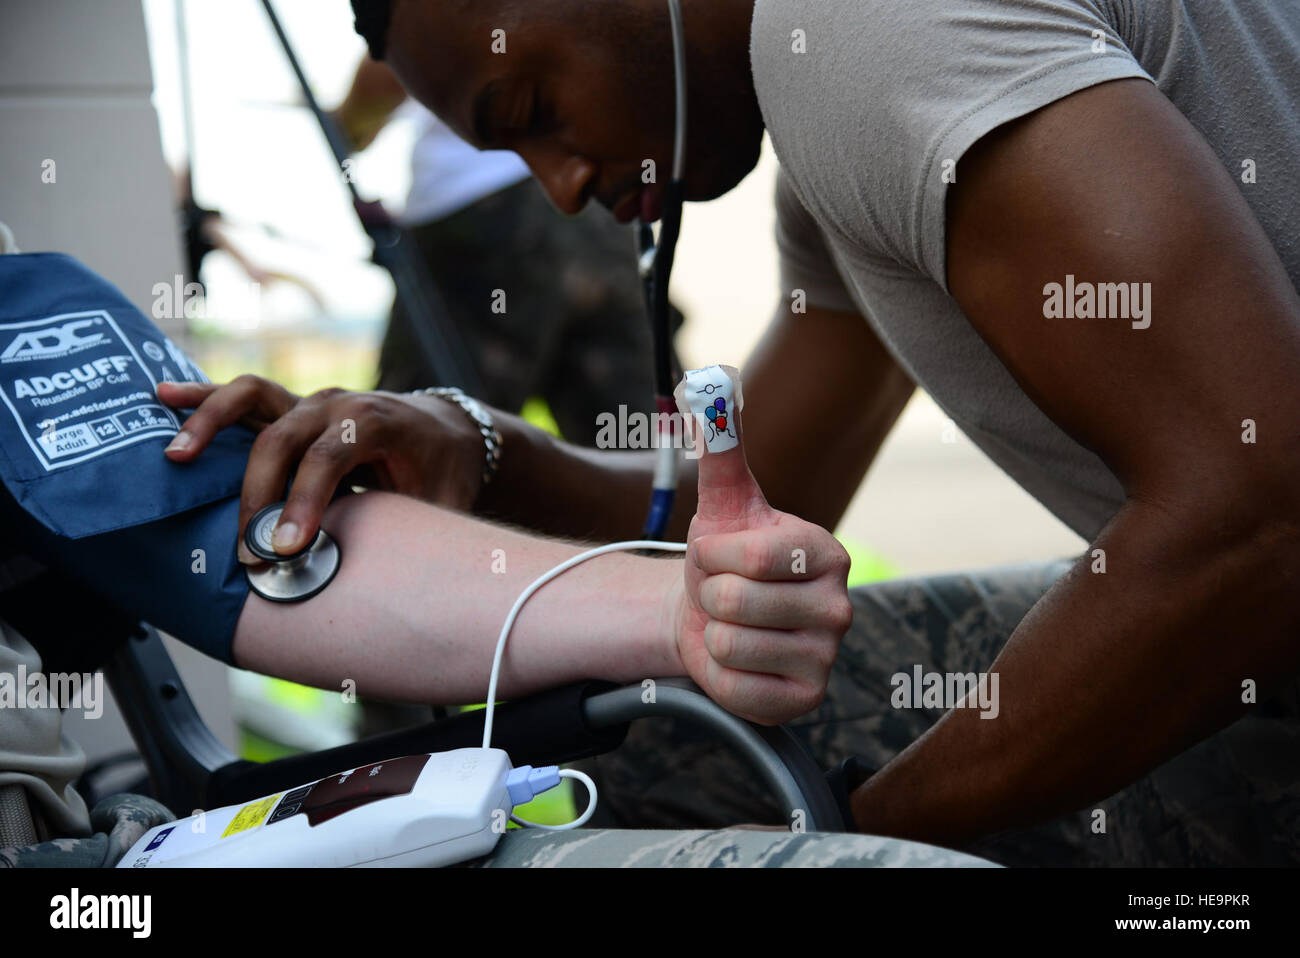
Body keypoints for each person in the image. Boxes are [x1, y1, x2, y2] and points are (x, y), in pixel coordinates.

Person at [174, 0, 1300, 865]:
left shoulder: (865, 39)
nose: (560, 187)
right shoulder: (830, 91)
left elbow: (1260, 521)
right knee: (643, 733)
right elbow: (743, 500)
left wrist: (857, 834)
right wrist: (469, 443)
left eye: (533, 114)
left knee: (669, 791)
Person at [335, 55, 676, 447]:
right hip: (602, 202)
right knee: (638, 439)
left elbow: (391, 61)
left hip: (482, 209)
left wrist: (349, 123)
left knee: (421, 445)